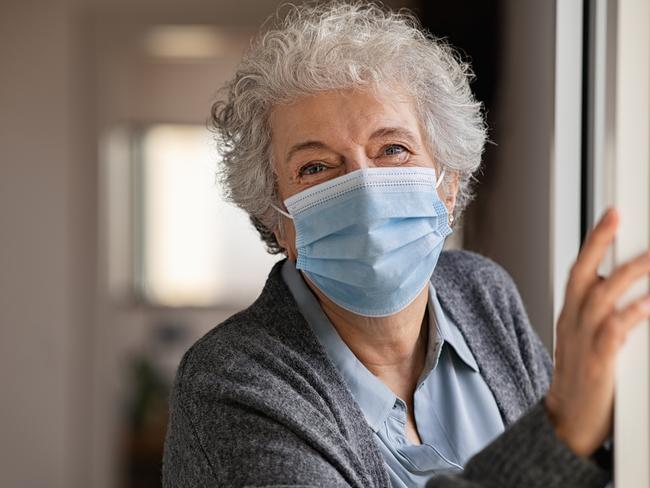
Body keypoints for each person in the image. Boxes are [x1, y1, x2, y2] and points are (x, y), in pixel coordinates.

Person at [162, 3, 650, 487]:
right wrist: (561, 430)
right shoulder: (231, 383)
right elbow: (564, 446)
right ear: (278, 221)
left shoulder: (483, 294)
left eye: (392, 149)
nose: (365, 188)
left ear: (449, 182)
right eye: (316, 168)